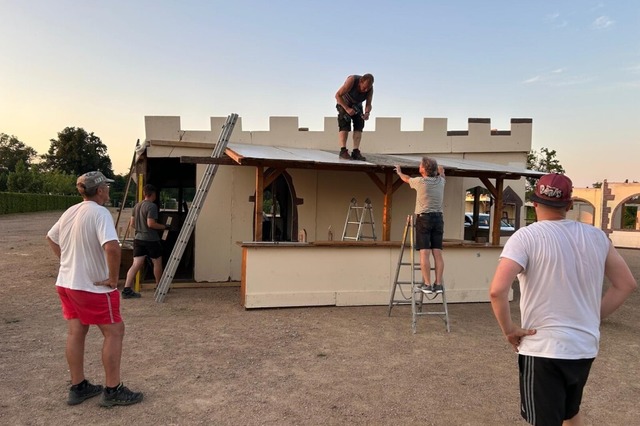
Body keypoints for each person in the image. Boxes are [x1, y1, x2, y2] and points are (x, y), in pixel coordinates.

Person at [489, 173, 637, 426]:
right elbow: (626, 284)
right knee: (570, 412)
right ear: (569, 205)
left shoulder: (525, 237)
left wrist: (509, 330)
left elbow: (497, 290)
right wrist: (592, 316)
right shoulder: (596, 236)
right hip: (583, 346)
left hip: (543, 348)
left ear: (535, 203)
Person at [46, 171, 143, 407]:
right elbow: (112, 247)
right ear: (100, 190)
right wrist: (113, 278)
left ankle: (78, 386)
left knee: (76, 332)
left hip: (67, 282)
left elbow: (51, 237)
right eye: (106, 187)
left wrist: (67, 262)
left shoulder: (71, 211)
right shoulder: (100, 213)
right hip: (91, 287)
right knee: (114, 331)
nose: (108, 190)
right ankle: (113, 389)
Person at [395, 157, 446, 294]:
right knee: (437, 253)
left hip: (424, 219)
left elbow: (406, 179)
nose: (419, 166)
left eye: (420, 165)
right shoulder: (441, 181)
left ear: (423, 169)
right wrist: (436, 168)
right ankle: (438, 284)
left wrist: (399, 172)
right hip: (438, 219)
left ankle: (427, 284)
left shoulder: (420, 182)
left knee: (424, 253)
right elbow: (441, 170)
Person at [123, 184, 167, 298]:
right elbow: (151, 224)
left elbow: (132, 223)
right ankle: (159, 287)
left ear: (144, 193)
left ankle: (126, 289)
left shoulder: (137, 206)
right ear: (153, 194)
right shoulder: (151, 206)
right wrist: (164, 227)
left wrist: (140, 229)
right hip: (151, 239)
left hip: (138, 239)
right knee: (157, 262)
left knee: (136, 264)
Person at [335, 73, 374, 161]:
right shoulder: (352, 80)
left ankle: (355, 151)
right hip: (343, 103)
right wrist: (347, 109)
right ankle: (343, 151)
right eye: (364, 87)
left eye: (368, 88)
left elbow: (368, 103)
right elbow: (337, 95)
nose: (365, 90)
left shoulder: (370, 89)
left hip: (357, 105)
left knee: (359, 124)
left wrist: (367, 113)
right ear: (360, 82)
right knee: (345, 124)